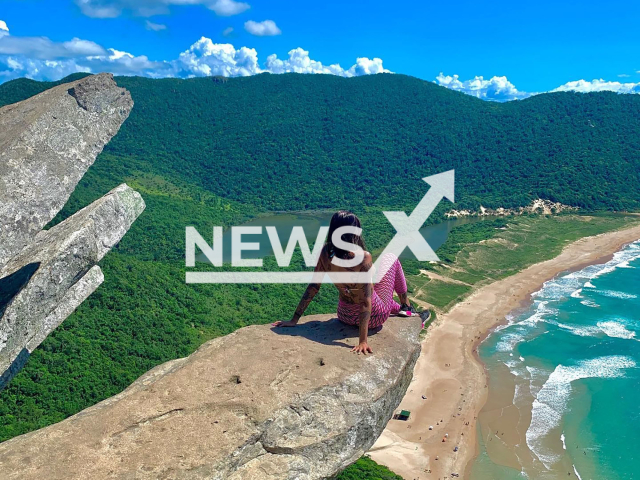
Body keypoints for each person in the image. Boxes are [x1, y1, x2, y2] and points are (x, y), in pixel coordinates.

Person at [273, 210, 414, 354]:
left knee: (377, 283)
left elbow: (313, 288)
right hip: (374, 318)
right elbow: (365, 301)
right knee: (390, 258)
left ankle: (400, 308)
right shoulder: (363, 257)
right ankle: (407, 307)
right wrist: (363, 341)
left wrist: (294, 320)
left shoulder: (325, 252)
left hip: (344, 315)